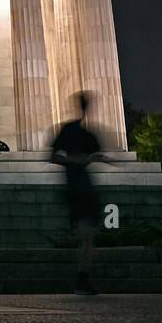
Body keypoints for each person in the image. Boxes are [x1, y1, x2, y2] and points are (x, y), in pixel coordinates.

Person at [50, 92, 103, 294]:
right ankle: (81, 278)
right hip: (77, 188)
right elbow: (54, 157)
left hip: (83, 187)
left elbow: (55, 156)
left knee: (87, 235)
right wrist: (81, 161)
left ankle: (82, 276)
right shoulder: (72, 130)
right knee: (87, 235)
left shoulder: (86, 132)